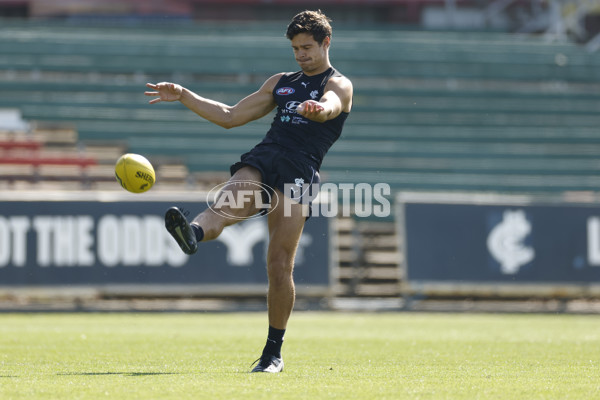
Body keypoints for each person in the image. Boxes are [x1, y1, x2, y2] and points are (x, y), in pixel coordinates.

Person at [144, 10, 353, 373]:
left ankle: (273, 352)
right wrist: (183, 95)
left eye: (307, 47)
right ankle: (191, 234)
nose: (301, 55)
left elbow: (333, 107)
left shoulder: (338, 84)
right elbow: (229, 115)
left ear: (326, 43)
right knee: (228, 203)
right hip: (266, 155)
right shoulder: (281, 82)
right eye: (295, 49)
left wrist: (319, 109)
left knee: (278, 263)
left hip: (300, 168)